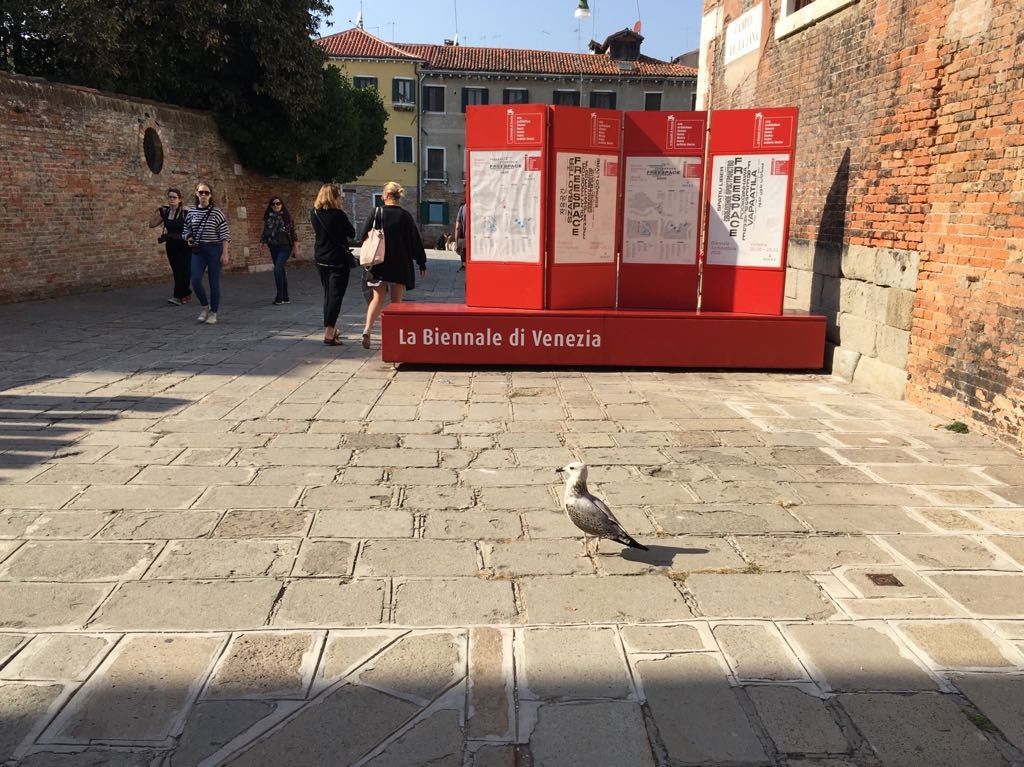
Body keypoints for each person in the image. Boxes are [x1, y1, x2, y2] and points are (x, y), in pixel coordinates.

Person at [358, 182, 427, 350]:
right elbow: (415, 241)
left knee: (377, 298)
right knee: (397, 302)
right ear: (398, 196)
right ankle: (394, 336)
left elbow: (362, 235)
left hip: (378, 263)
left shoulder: (376, 213)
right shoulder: (405, 216)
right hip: (399, 264)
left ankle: (367, 329)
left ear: (385, 196)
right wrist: (421, 262)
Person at [310, 183, 355, 346]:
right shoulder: (339, 215)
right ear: (334, 197)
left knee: (328, 294)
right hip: (338, 260)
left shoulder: (314, 213)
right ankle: (329, 332)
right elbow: (352, 233)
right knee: (336, 296)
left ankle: (331, 328)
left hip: (321, 258)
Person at [182, 183, 230, 325]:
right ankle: (205, 306)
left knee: (213, 281)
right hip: (198, 250)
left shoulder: (216, 212)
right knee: (195, 280)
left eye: (206, 193)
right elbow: (185, 230)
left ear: (210, 195)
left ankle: (214, 312)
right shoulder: (191, 213)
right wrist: (188, 237)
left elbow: (225, 234)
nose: (203, 195)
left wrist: (225, 253)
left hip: (214, 249)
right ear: (196, 193)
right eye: (201, 192)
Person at [148, 188, 192, 305]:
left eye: (174, 197)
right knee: (176, 270)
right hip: (171, 245)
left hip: (184, 244)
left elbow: (195, 226)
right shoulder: (166, 212)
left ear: (179, 199)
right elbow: (151, 225)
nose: (172, 199)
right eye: (170, 197)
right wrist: (155, 211)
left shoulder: (185, 212)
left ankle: (177, 296)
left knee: (183, 270)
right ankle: (186, 293)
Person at [260, 196, 297, 305]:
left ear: (282, 204)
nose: (276, 205)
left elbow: (293, 234)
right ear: (271, 206)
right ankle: (286, 297)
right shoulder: (268, 218)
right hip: (273, 247)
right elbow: (265, 232)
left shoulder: (287, 218)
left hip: (285, 247)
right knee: (281, 271)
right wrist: (261, 243)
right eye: (273, 204)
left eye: (278, 203)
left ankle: (279, 297)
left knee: (277, 270)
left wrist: (296, 248)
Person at [454, 201, 467, 270]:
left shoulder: (463, 208)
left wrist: (457, 244)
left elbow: (457, 227)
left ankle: (464, 265)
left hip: (465, 244)